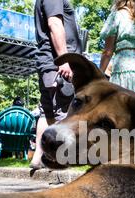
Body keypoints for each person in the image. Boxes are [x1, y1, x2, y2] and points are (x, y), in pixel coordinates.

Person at [30, 0, 82, 169]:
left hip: (47, 62)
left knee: (47, 111)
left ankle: (39, 156)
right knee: (63, 111)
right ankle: (58, 159)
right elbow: (54, 23)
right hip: (56, 63)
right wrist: (64, 60)